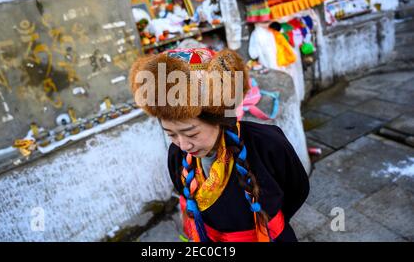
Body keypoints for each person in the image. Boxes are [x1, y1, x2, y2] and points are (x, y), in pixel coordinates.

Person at [129, 47, 309, 242]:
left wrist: (269, 226)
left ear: (220, 120)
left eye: (192, 133)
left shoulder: (267, 144)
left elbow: (297, 190)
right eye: (171, 134)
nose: (183, 145)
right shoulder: (176, 155)